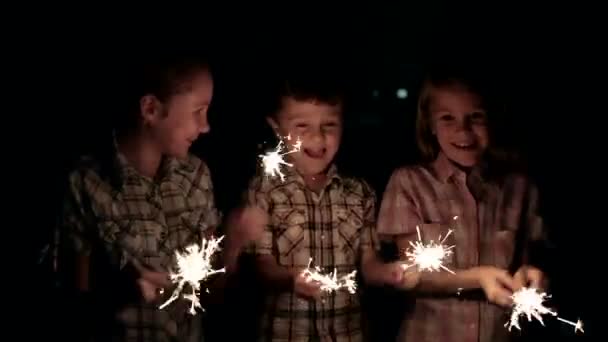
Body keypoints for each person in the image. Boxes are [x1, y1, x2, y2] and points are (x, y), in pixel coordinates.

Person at [55, 52, 266, 342]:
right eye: (198, 111)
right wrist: (121, 290)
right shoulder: (87, 183)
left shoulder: (196, 177)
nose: (206, 127)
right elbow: (73, 306)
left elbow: (210, 296)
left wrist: (232, 245)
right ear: (151, 109)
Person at [376, 69, 549, 342]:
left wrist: (532, 276)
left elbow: (528, 261)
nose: (463, 131)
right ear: (430, 124)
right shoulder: (409, 183)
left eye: (475, 117)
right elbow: (411, 275)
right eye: (448, 118)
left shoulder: (519, 187)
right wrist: (477, 278)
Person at [246, 72, 407, 342]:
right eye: (302, 126)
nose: (317, 138)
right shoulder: (264, 190)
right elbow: (261, 264)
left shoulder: (359, 193)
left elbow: (368, 265)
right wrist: (292, 278)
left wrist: (391, 272)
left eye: (329, 125)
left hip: (348, 334)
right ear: (276, 127)